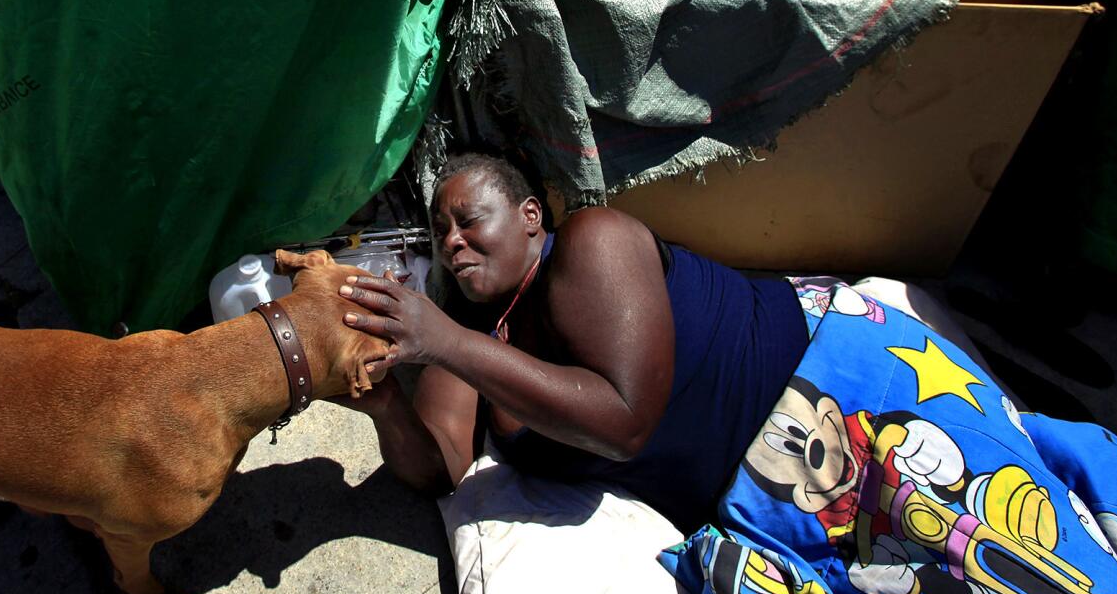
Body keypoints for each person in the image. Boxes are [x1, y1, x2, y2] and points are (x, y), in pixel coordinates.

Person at [334, 153, 809, 531]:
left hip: (820, 378)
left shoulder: (594, 239)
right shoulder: (470, 335)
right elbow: (437, 470)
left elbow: (624, 425)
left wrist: (448, 341)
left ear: (531, 215)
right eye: (441, 233)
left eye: (470, 220)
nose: (451, 242)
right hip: (767, 502)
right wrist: (387, 403)